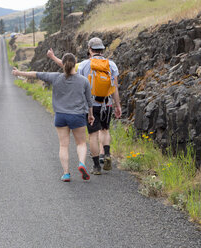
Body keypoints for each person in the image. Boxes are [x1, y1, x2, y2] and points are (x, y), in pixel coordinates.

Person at [12, 53, 94, 182]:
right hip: (78, 116)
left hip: (61, 116)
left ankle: (66, 173)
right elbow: (89, 101)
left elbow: (36, 74)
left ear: (63, 64)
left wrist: (19, 73)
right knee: (81, 143)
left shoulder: (55, 77)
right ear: (75, 63)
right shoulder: (83, 80)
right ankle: (81, 163)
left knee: (63, 145)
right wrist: (91, 115)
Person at [47, 37, 122, 175]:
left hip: (91, 105)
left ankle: (96, 167)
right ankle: (106, 154)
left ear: (90, 49)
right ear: (102, 49)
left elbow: (68, 69)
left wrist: (53, 57)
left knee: (93, 134)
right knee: (105, 130)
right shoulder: (111, 65)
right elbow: (115, 87)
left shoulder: (83, 65)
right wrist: (117, 105)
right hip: (107, 103)